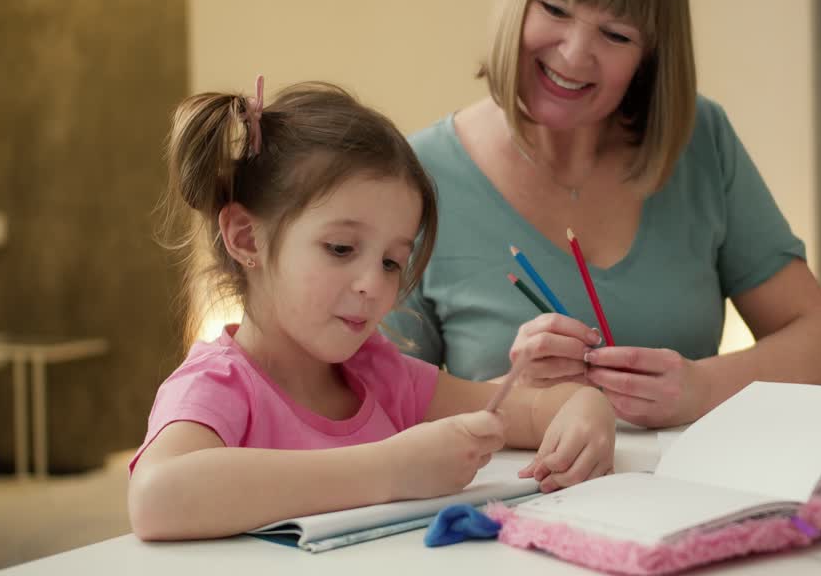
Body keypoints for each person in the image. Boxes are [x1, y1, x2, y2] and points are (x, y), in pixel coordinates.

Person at [382, 0, 821, 429]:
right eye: (554, 8)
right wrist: (514, 397)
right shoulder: (419, 175)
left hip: (690, 501)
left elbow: (818, 341)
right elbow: (381, 401)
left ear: (650, 56)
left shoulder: (701, 139)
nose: (575, 56)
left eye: (616, 35)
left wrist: (703, 387)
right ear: (516, 1)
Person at [128, 80, 615, 542]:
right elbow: (156, 497)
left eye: (391, 262)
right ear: (245, 237)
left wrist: (585, 408)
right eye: (341, 248)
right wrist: (391, 469)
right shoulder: (217, 387)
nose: (372, 285)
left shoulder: (378, 373)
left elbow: (527, 409)